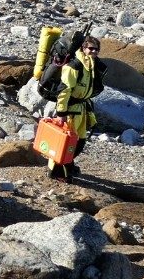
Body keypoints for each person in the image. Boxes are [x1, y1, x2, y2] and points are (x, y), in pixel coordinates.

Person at [40, 30, 105, 180]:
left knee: (79, 142)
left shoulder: (92, 65)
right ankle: (58, 172)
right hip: (70, 111)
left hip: (81, 109)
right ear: (83, 48)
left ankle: (67, 167)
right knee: (65, 143)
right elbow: (64, 90)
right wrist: (61, 113)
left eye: (96, 49)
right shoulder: (74, 65)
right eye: (91, 48)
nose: (94, 51)